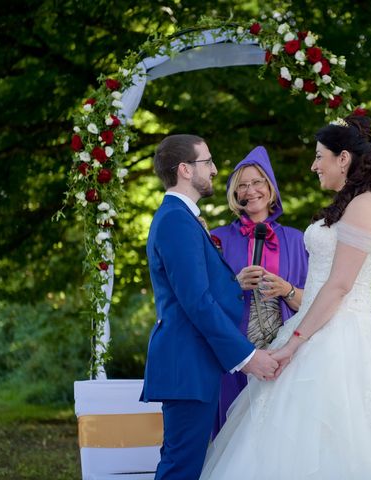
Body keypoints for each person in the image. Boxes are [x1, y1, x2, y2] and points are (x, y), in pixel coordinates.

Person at [200, 116, 371, 479]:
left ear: (343, 158)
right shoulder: (344, 206)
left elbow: (339, 286)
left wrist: (293, 344)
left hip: (344, 336)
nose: (314, 165)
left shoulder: (364, 205)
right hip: (315, 325)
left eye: (320, 156)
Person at [140, 134, 279, 480]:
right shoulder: (175, 219)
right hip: (186, 365)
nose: (216, 170)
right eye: (208, 162)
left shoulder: (181, 218)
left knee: (184, 465)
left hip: (192, 364)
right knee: (180, 469)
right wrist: (247, 358)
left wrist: (234, 285)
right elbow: (196, 302)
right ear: (185, 170)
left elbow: (198, 291)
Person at [210, 146, 309, 436]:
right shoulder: (218, 239)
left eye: (257, 182)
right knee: (235, 436)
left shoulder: (296, 240)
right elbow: (203, 301)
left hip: (283, 355)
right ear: (234, 194)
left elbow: (315, 302)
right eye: (242, 185)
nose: (250, 190)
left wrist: (287, 289)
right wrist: (234, 284)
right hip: (236, 355)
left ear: (271, 187)